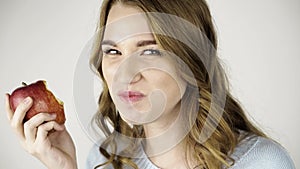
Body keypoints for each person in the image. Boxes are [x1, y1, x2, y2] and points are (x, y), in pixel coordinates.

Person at [5, 0, 295, 169]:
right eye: (113, 51)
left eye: (150, 51)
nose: (124, 74)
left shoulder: (263, 163)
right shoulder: (105, 159)